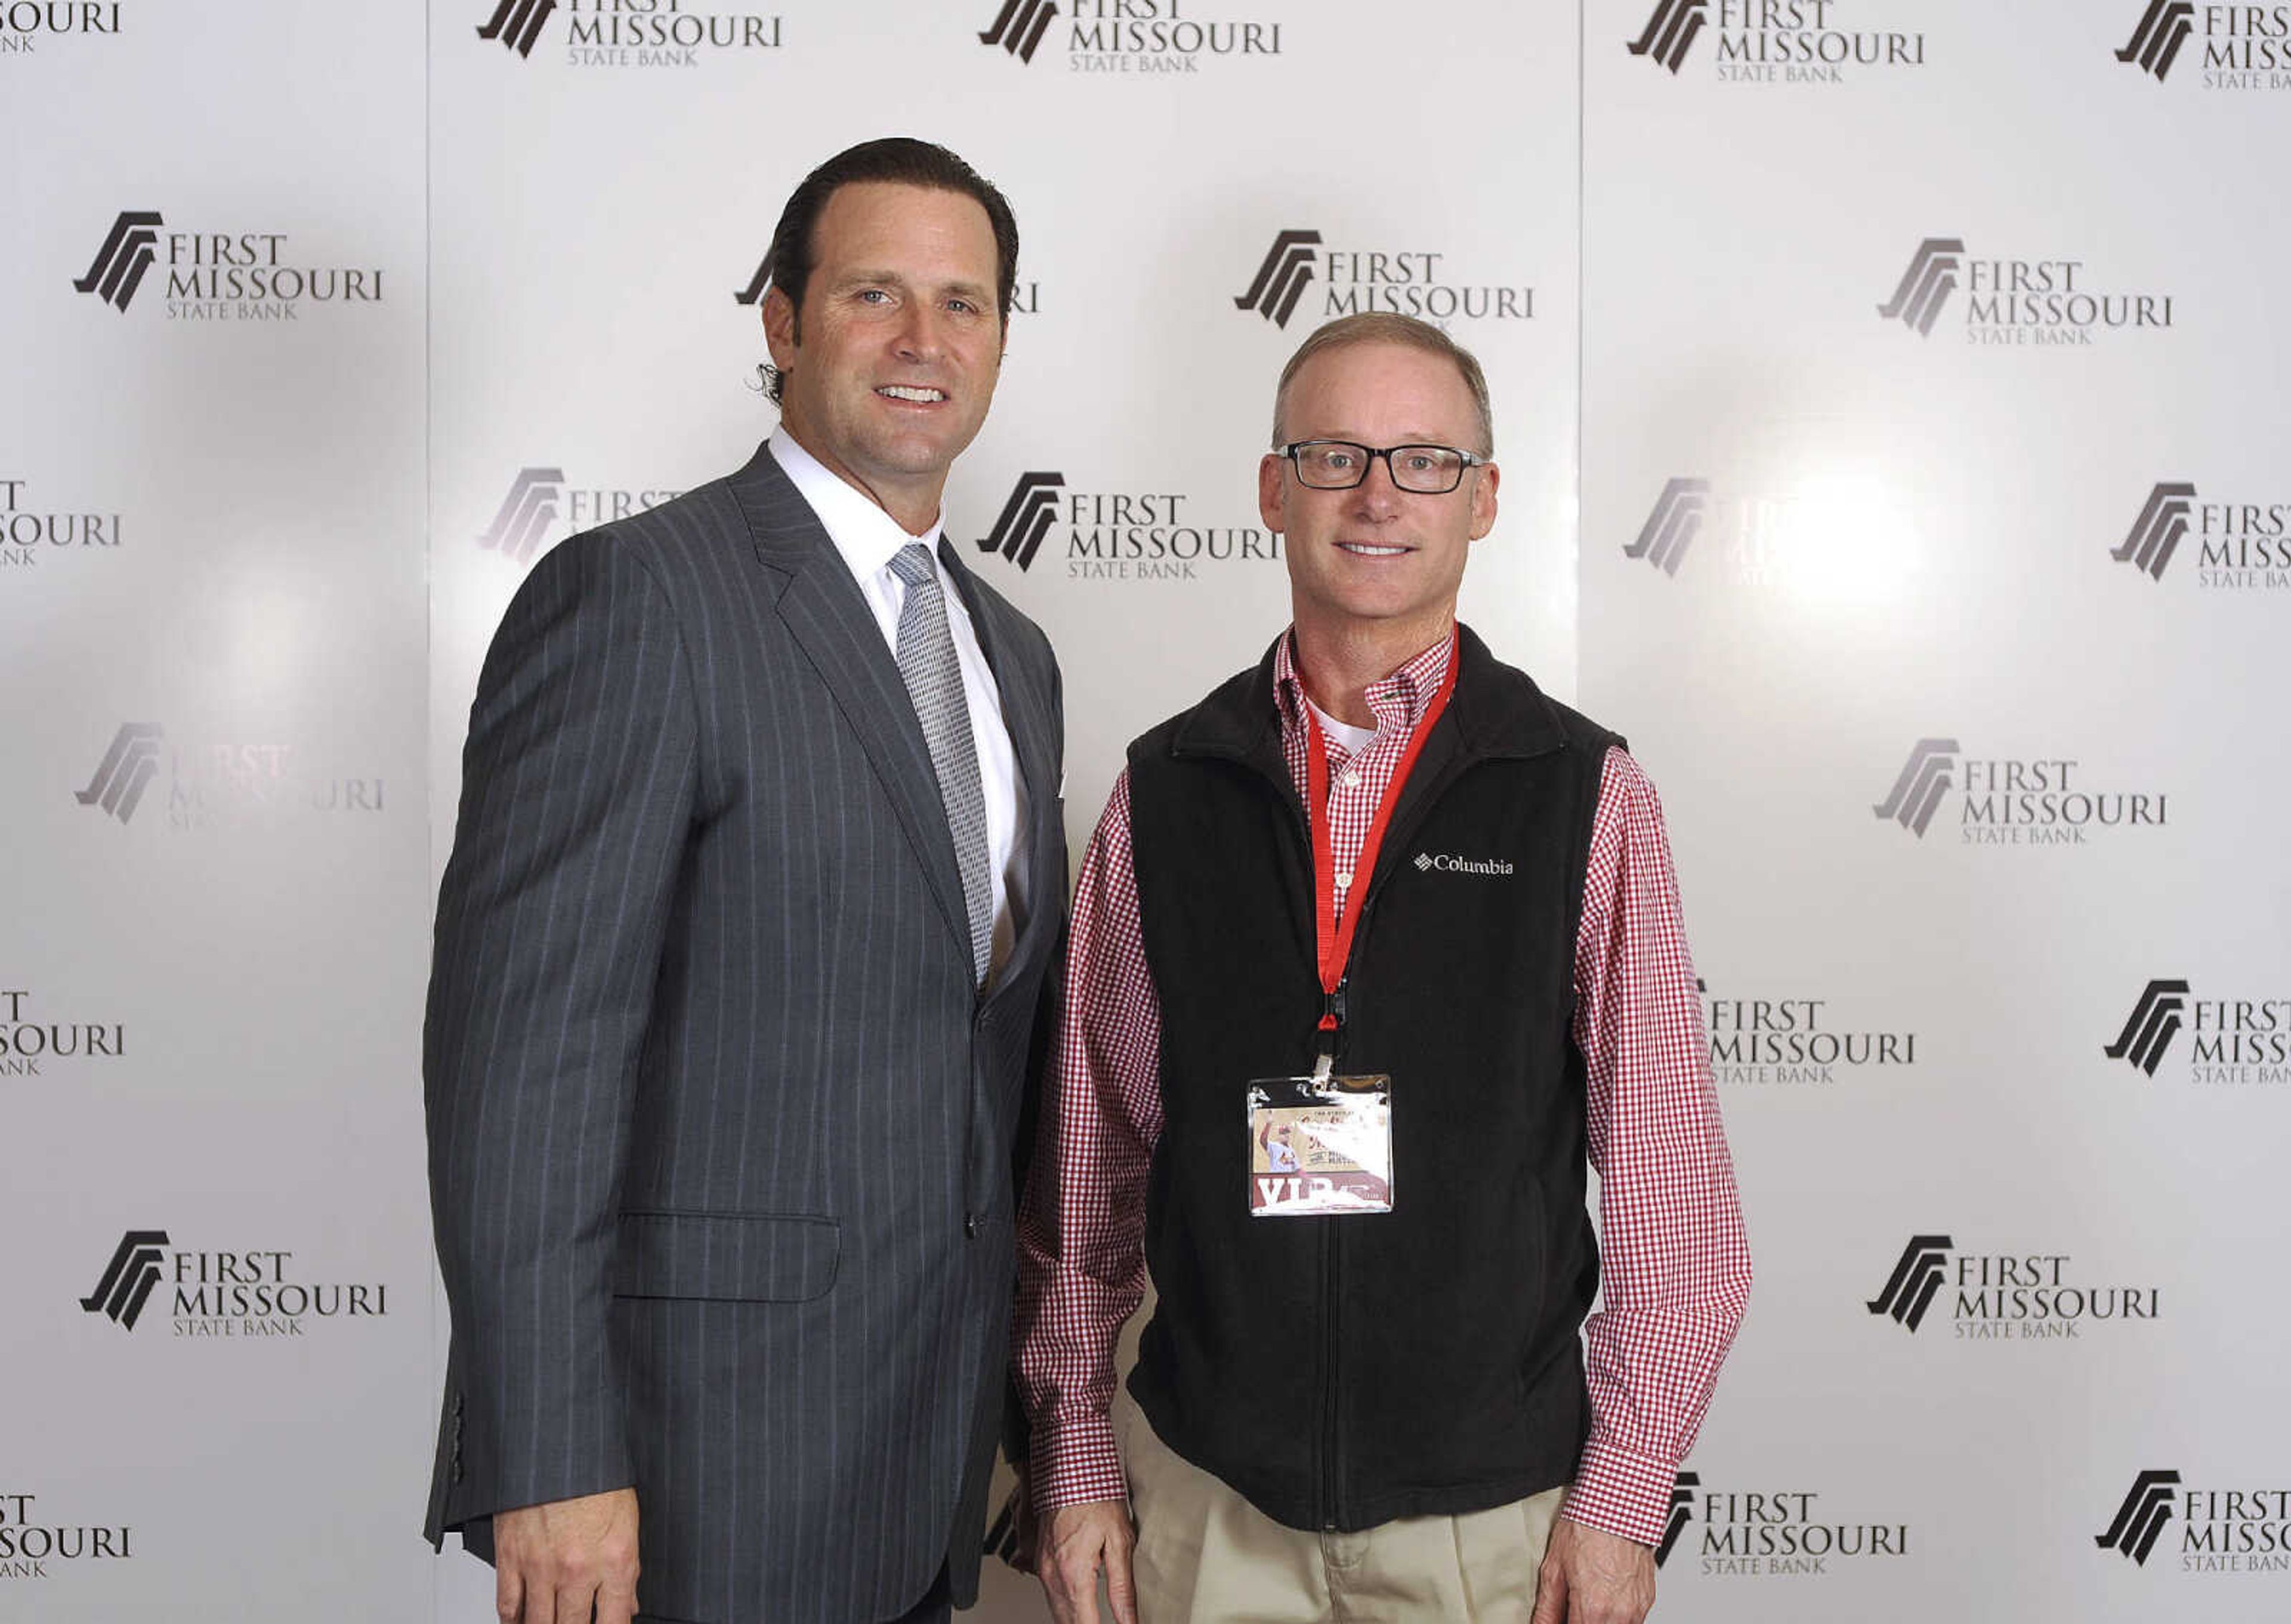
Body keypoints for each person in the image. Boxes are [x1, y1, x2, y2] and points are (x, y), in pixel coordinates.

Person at [1014, 313, 1750, 1624]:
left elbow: (1674, 1190)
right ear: (1270, 487)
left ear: (1484, 500)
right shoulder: (1164, 791)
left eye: (1423, 459)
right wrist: (1073, 1459)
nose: (1375, 494)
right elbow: (1088, 1166)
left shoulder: (1585, 794)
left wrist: (1627, 1497)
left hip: (1493, 1533)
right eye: (1335, 451)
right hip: (1205, 1512)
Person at [421, 137, 1067, 1624]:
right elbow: (525, 1064)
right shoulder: (640, 597)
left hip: (918, 1473)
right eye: (875, 295)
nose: (925, 342)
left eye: (965, 304)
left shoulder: (1011, 653)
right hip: (685, 1471)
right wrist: (552, 1452)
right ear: (780, 321)